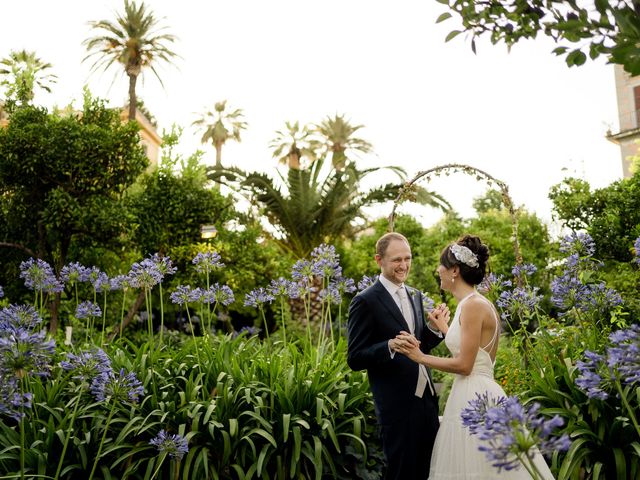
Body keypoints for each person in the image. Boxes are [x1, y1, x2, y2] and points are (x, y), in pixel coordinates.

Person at [394, 235, 554, 479]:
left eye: (441, 266)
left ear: (455, 270)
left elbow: (465, 364)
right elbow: (471, 351)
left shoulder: (473, 306)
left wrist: (419, 356)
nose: (438, 270)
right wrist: (445, 328)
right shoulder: (472, 303)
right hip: (472, 392)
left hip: (475, 396)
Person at [347, 232, 449, 480]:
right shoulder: (365, 301)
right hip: (396, 408)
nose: (404, 265)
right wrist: (389, 345)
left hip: (426, 402)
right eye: (396, 260)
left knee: (431, 471)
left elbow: (418, 345)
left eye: (407, 258)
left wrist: (434, 329)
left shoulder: (414, 294)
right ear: (378, 260)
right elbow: (355, 357)